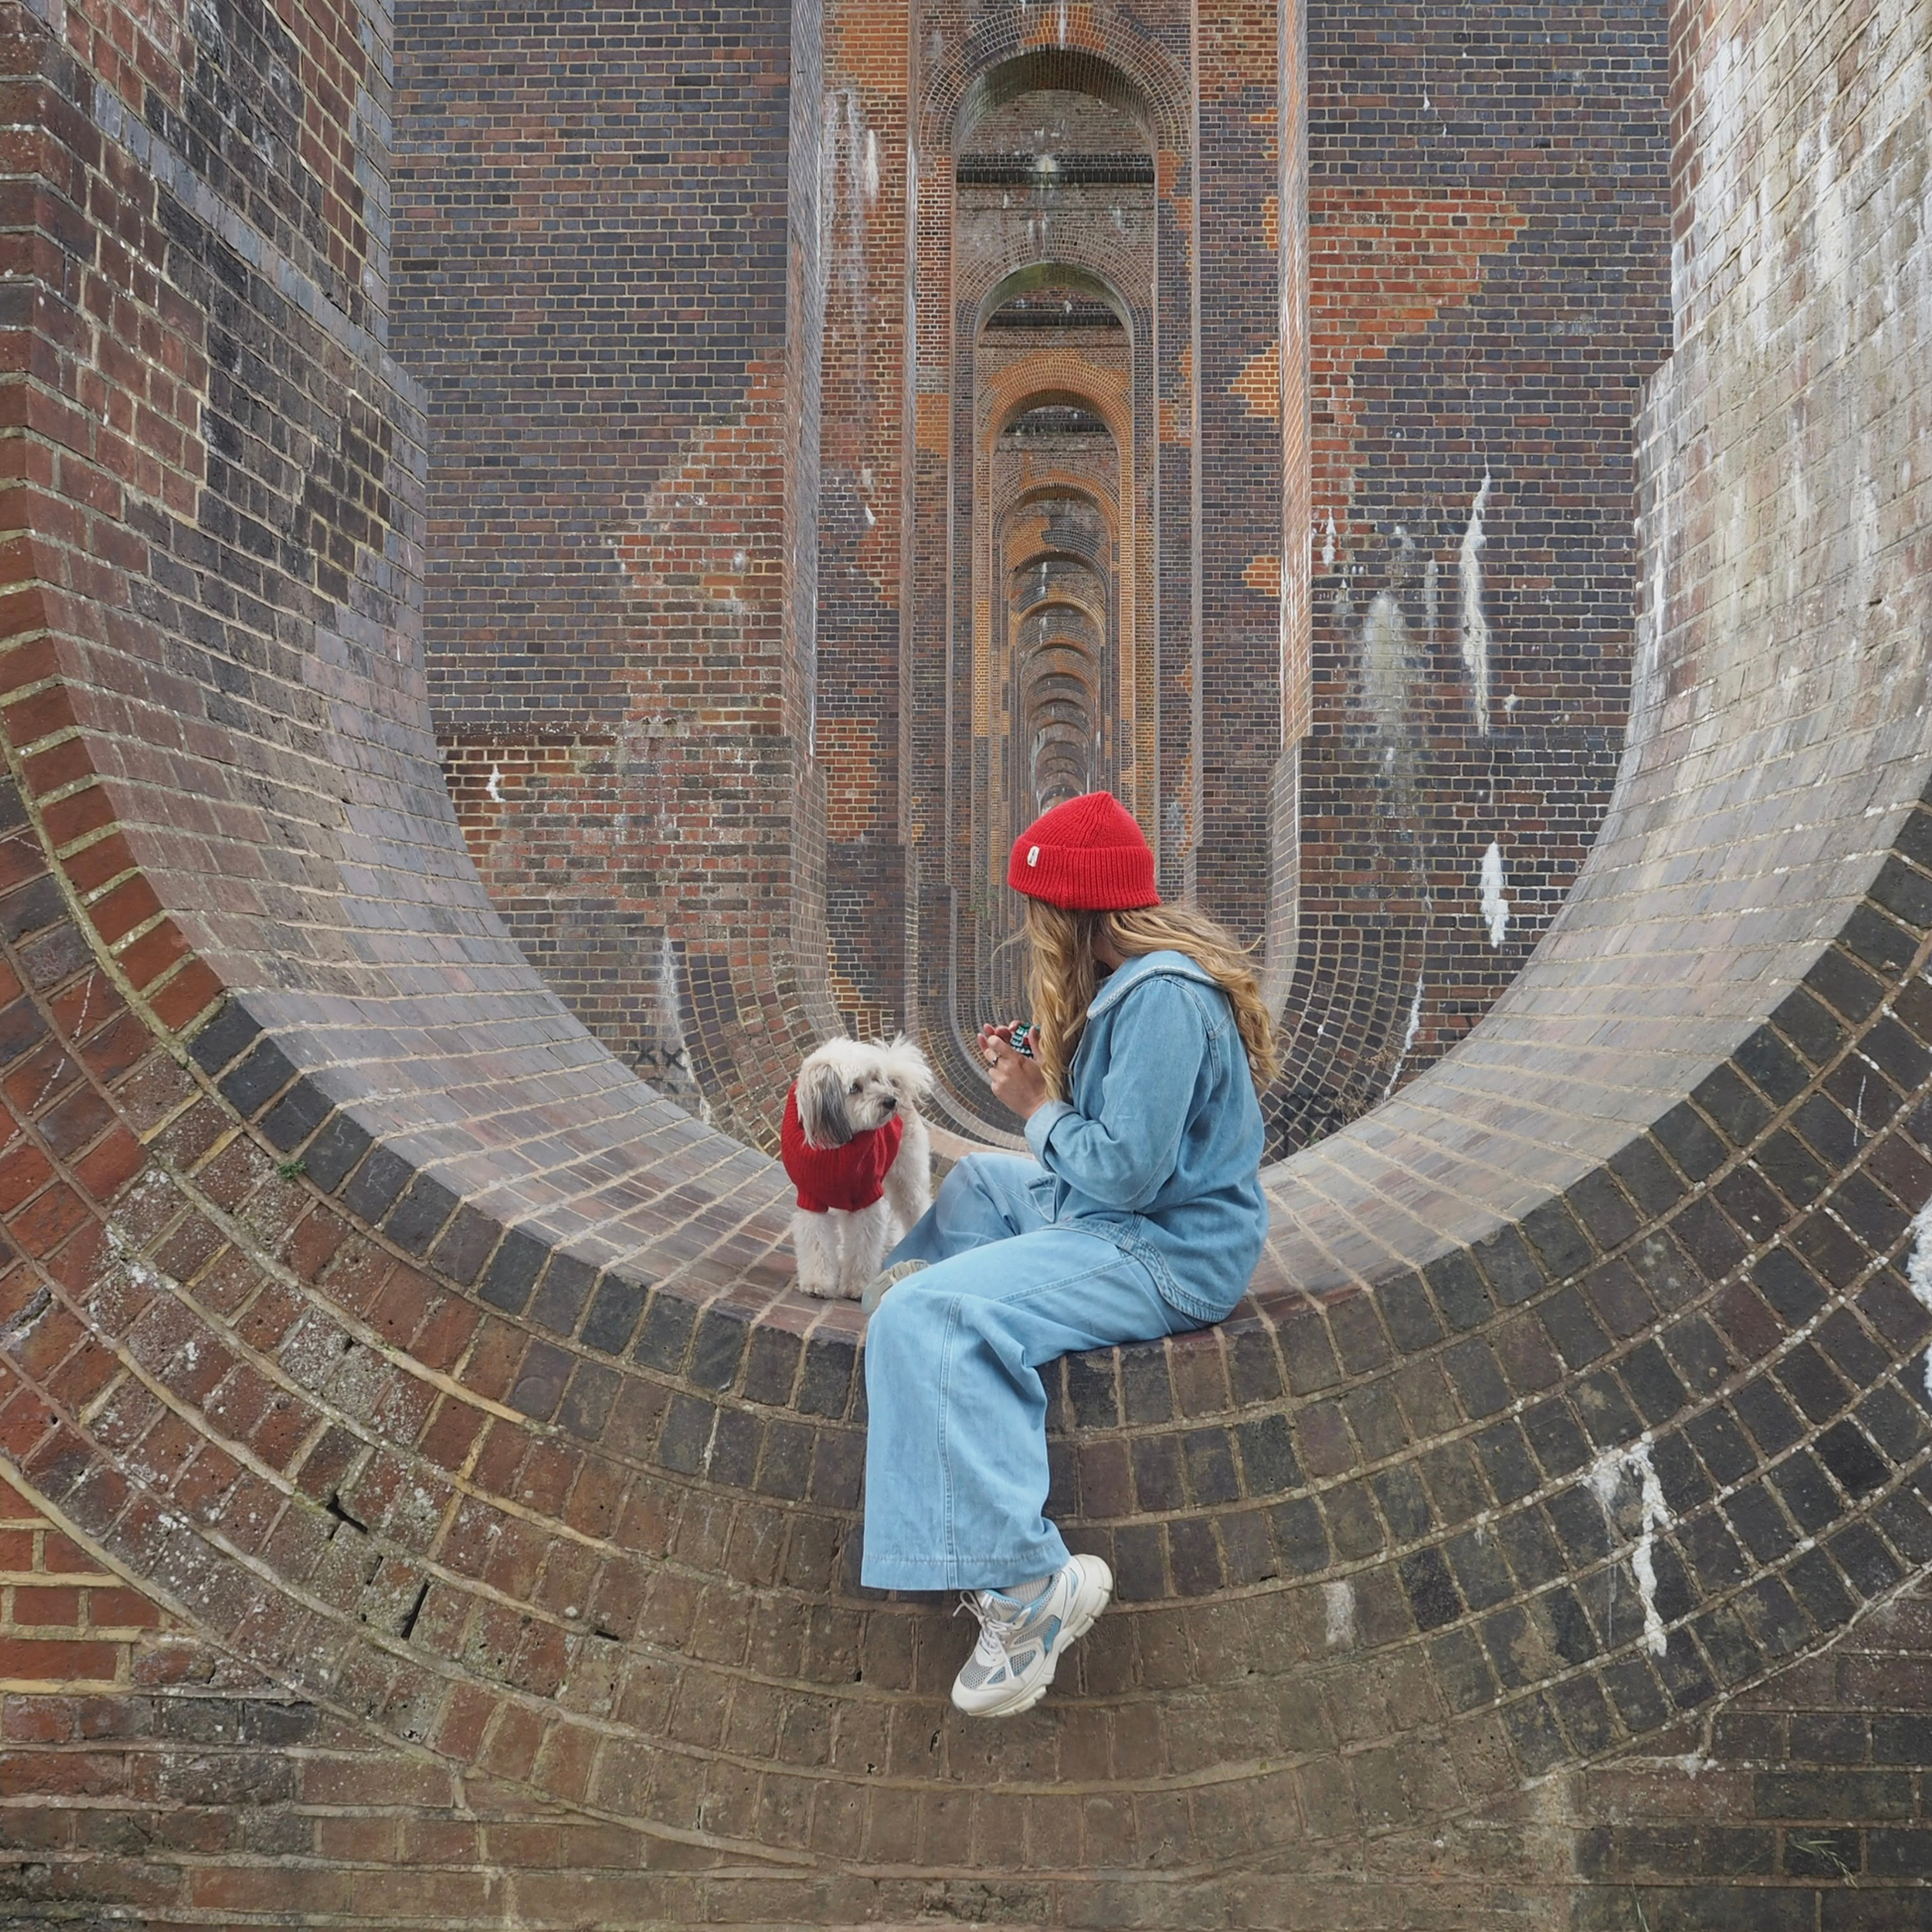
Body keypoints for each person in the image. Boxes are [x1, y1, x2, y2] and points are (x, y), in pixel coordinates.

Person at [858, 790, 1277, 1718]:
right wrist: (1047, 1076)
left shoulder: (1165, 999)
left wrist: (1034, 1107)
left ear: (1070, 908)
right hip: (1118, 1216)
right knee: (975, 1188)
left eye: (1033, 908)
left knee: (926, 1316)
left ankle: (1026, 1589)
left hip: (1162, 1249)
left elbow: (1127, 1173)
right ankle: (924, 1356)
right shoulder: (1137, 986)